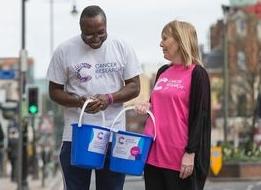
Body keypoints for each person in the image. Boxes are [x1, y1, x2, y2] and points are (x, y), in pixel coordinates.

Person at [46, 5, 141, 190]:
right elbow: (54, 91)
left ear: (106, 26)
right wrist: (79, 101)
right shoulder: (64, 50)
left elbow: (135, 86)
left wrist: (109, 98)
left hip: (114, 135)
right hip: (76, 136)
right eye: (89, 34)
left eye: (101, 33)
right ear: (81, 29)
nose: (96, 39)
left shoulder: (121, 46)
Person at [135, 20, 211, 190]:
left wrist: (190, 153)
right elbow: (158, 107)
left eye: (165, 38)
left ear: (179, 40)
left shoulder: (197, 74)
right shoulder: (163, 71)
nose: (160, 43)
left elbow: (201, 117)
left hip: (179, 158)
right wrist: (146, 106)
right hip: (153, 155)